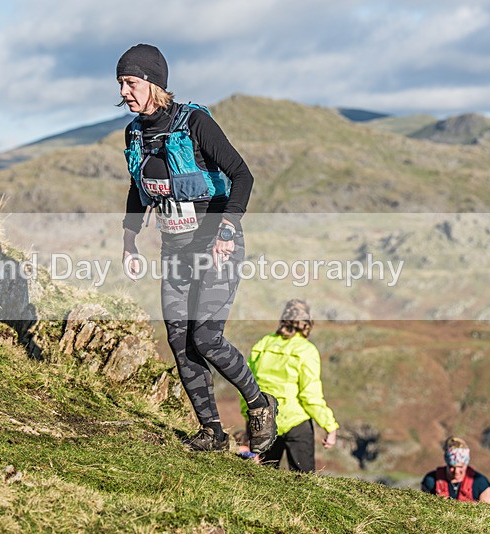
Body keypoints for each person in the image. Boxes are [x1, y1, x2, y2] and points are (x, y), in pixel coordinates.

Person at [117, 43, 277, 453]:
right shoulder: (135, 133)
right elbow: (139, 191)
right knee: (178, 339)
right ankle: (212, 432)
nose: (124, 92)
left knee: (206, 338)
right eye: (120, 84)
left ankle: (259, 406)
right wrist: (129, 241)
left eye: (130, 82)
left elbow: (243, 175)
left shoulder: (195, 123)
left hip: (217, 244)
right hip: (175, 250)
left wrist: (227, 226)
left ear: (153, 83)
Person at [241, 299, 338, 472]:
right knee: (304, 480)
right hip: (296, 423)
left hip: (264, 421)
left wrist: (249, 418)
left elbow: (247, 384)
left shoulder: (263, 344)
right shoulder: (307, 350)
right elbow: (310, 396)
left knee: (264, 477)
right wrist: (330, 426)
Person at [421, 437, 490, 503]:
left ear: (466, 464)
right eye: (452, 467)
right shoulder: (431, 481)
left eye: (460, 467)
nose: (456, 471)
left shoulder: (480, 483)